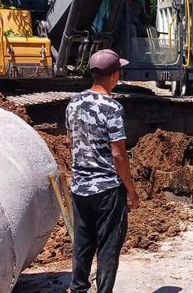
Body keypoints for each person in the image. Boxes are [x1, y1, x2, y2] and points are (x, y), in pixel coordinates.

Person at [67, 49, 140, 293]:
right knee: (109, 247)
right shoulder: (112, 107)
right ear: (115, 74)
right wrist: (131, 191)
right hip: (107, 189)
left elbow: (72, 142)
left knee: (83, 242)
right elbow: (118, 155)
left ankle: (78, 289)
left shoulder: (73, 103)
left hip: (79, 187)